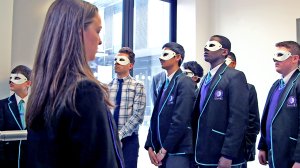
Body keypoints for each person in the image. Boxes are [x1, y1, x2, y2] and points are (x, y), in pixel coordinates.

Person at [25, 1, 124, 168]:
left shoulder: (43, 92)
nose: (100, 41)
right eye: (97, 31)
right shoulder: (84, 91)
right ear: (78, 33)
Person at [192, 35, 249, 168]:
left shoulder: (235, 76)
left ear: (224, 52)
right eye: (205, 46)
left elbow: (238, 119)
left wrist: (228, 155)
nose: (206, 48)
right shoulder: (206, 78)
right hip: (203, 152)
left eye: (211, 46)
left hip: (223, 153)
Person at [145, 42, 196, 168]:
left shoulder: (185, 82)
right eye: (161, 54)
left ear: (178, 57)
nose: (161, 58)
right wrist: (150, 145)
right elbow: (156, 115)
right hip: (163, 149)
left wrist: (164, 149)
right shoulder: (164, 83)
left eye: (166, 54)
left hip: (178, 150)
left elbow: (180, 120)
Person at [258, 41, 300, 168]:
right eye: (274, 55)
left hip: (291, 155)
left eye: (280, 55)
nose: (275, 59)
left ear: (295, 58)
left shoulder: (298, 84)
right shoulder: (276, 85)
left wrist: (299, 159)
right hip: (274, 153)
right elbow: (268, 118)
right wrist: (263, 146)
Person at [108, 47, 146, 168]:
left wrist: (119, 135)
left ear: (130, 65)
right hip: (110, 139)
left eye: (121, 60)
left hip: (129, 140)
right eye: (115, 59)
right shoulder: (106, 87)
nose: (116, 62)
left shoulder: (138, 86)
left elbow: (138, 115)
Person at [226, 51, 260, 168]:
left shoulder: (248, 88)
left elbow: (253, 121)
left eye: (225, 61)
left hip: (238, 149)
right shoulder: (209, 86)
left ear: (233, 64)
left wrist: (247, 147)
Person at [0, 65, 31, 168]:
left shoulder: (39, 105)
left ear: (28, 83)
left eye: (17, 78)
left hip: (31, 159)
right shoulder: (2, 105)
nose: (11, 81)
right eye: (10, 78)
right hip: (9, 161)